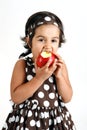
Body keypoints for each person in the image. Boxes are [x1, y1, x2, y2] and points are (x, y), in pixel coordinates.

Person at [2, 11, 76, 130]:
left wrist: (59, 77)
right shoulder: (22, 64)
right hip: (27, 121)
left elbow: (67, 98)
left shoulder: (59, 65)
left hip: (54, 121)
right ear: (29, 41)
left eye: (53, 40)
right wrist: (39, 78)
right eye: (41, 40)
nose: (48, 46)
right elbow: (16, 97)